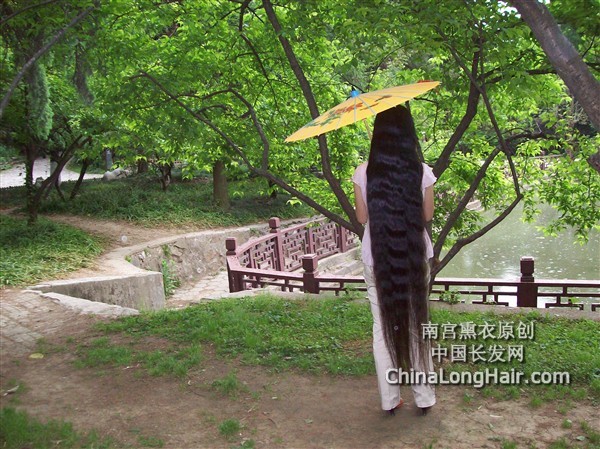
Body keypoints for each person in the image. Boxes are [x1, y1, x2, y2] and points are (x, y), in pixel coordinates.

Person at [352, 104, 436, 416]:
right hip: (414, 255)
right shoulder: (421, 171)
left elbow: (362, 217)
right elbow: (427, 215)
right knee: (416, 324)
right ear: (407, 133)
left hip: (376, 257)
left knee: (381, 327)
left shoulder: (363, 172)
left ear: (378, 135)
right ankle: (424, 397)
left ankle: (390, 400)